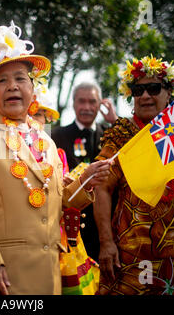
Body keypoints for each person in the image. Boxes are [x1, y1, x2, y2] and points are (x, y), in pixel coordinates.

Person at [0, 21, 113, 295]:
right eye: (3, 80)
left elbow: (56, 202)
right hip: (0, 279)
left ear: (32, 89)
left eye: (20, 79)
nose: (12, 86)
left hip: (48, 276)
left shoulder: (46, 140)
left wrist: (86, 180)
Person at [94, 55, 174, 295]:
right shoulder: (122, 135)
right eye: (138, 90)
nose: (144, 96)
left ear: (169, 92)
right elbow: (101, 187)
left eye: (153, 88)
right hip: (131, 262)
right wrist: (106, 243)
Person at [32, 82, 100, 295]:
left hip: (74, 236)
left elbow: (64, 197)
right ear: (73, 104)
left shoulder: (55, 151)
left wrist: (81, 184)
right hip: (32, 242)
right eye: (31, 114)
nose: (35, 121)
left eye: (41, 115)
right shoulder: (57, 137)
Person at [52, 82, 118, 261]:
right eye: (81, 101)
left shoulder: (111, 134)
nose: (87, 107)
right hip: (71, 228)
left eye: (92, 102)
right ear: (73, 103)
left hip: (106, 229)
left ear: (100, 104)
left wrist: (115, 121)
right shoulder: (56, 136)